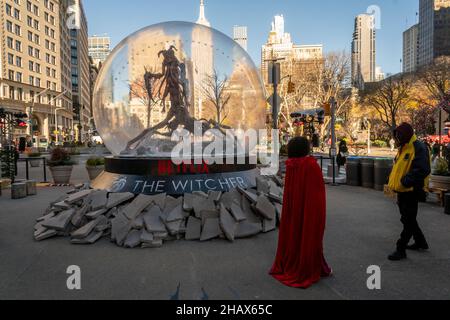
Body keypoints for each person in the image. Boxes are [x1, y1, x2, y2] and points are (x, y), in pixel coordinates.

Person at [270, 137, 332, 288]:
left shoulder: (291, 165)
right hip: (311, 209)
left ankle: (295, 264)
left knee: (295, 235)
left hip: (293, 209)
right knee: (309, 236)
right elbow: (317, 193)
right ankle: (308, 267)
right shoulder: (311, 165)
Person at [387, 123, 431, 261]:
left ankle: (400, 248)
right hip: (402, 190)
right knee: (408, 219)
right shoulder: (403, 147)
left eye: (398, 136)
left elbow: (423, 169)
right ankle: (420, 242)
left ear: (405, 135)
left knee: (408, 220)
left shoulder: (418, 147)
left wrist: (405, 181)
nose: (396, 139)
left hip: (412, 190)